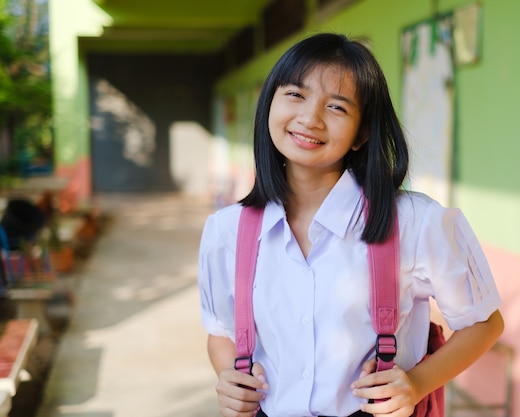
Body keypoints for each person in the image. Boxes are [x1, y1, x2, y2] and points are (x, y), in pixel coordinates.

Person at [198, 32, 504, 417]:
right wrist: (230, 379)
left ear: (361, 133)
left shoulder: (414, 222)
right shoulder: (227, 231)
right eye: (295, 94)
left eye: (337, 107)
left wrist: (416, 385)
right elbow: (222, 334)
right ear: (270, 103)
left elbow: (484, 323)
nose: (310, 118)